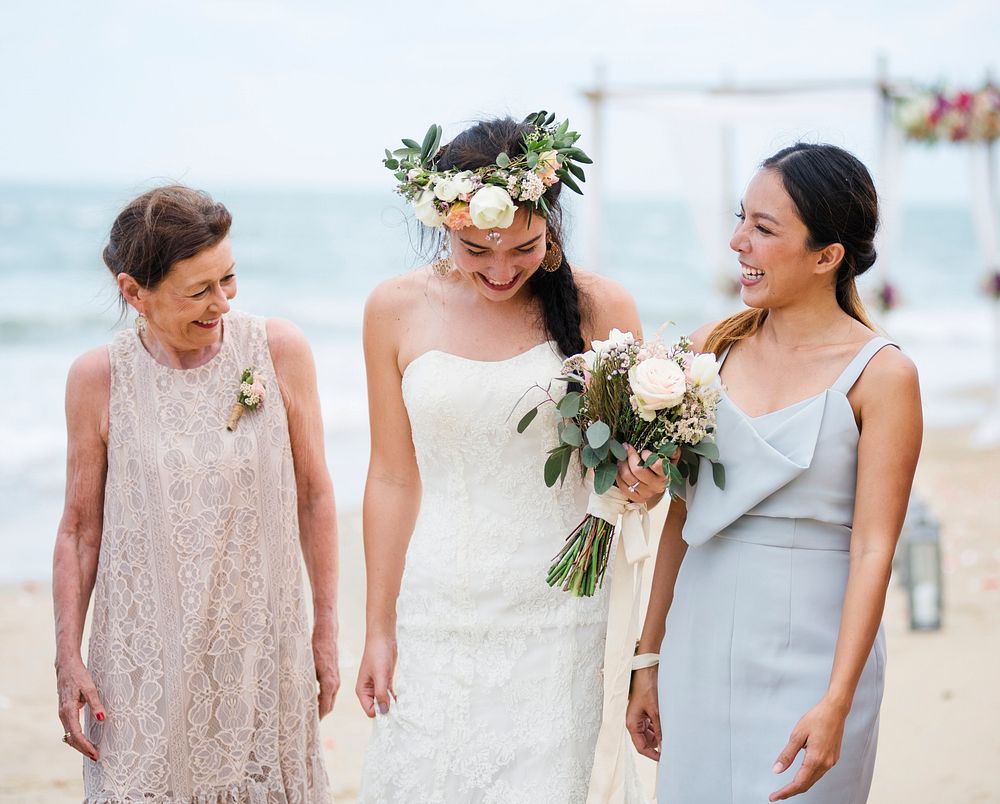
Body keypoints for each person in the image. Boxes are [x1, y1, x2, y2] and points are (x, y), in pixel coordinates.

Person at [356, 114, 665, 802]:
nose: (501, 270)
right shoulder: (393, 309)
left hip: (565, 613)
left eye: (523, 247)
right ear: (443, 223)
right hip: (439, 607)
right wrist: (378, 627)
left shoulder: (600, 306)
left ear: (551, 221)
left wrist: (646, 481)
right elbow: (391, 476)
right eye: (475, 250)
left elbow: (638, 471)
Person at [627, 143, 922, 803]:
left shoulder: (884, 375)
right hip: (698, 649)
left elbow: (874, 549)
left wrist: (838, 700)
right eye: (742, 220)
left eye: (764, 229)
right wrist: (647, 659)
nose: (738, 242)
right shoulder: (711, 349)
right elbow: (682, 516)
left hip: (816, 663)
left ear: (827, 256)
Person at [52, 185, 339, 802]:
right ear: (134, 292)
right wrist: (67, 657)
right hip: (140, 666)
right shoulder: (97, 379)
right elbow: (79, 528)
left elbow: (316, 496)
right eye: (199, 291)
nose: (223, 304)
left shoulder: (279, 351)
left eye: (229, 279)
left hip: (260, 653)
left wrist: (326, 628)